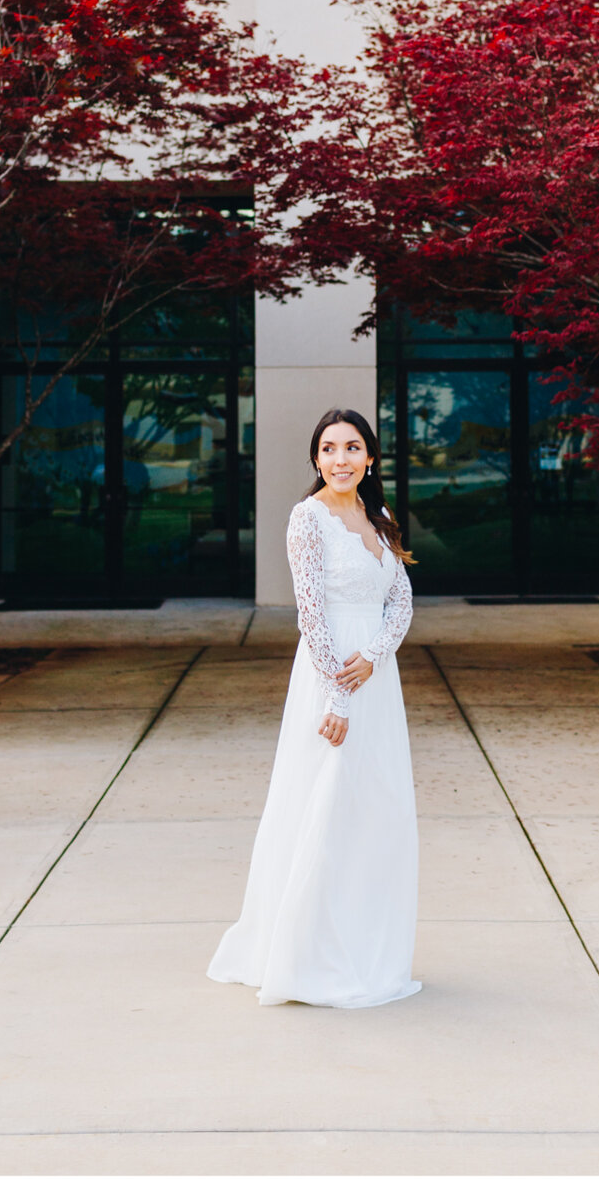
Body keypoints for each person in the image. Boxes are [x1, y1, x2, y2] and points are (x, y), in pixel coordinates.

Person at [207, 407, 423, 1008]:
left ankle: (362, 944)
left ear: (370, 458)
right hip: (330, 683)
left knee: (374, 814)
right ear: (316, 459)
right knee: (323, 810)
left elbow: (400, 603)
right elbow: (312, 615)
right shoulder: (308, 519)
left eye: (352, 448)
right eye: (329, 449)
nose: (340, 459)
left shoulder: (378, 517)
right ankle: (306, 954)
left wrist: (376, 656)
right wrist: (338, 696)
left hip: (376, 681)